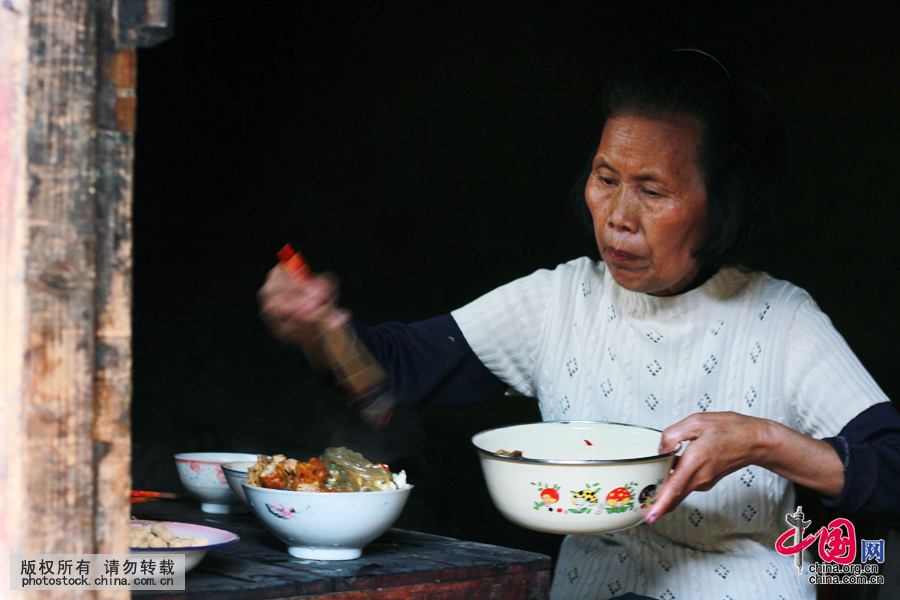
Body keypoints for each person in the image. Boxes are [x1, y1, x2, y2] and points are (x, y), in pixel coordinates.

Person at [257, 50, 900, 600]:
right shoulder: (562, 301)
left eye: (652, 190)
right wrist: (320, 330)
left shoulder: (780, 320)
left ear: (721, 205)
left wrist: (763, 442)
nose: (618, 216)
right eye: (606, 177)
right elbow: (390, 371)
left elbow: (892, 474)